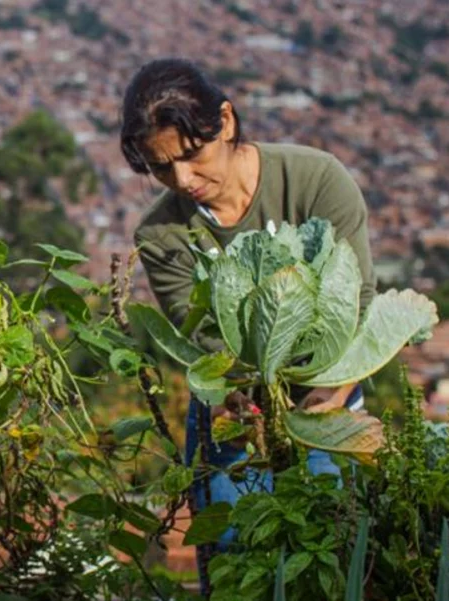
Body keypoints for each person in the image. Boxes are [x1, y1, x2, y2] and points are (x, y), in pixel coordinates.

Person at [121, 58, 375, 586]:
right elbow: (207, 346)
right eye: (161, 168)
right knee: (238, 562)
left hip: (332, 387)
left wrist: (324, 406)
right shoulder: (161, 234)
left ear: (227, 122)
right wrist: (243, 409)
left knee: (335, 555)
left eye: (193, 156)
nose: (182, 180)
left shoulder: (315, 180)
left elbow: (358, 302)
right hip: (233, 409)